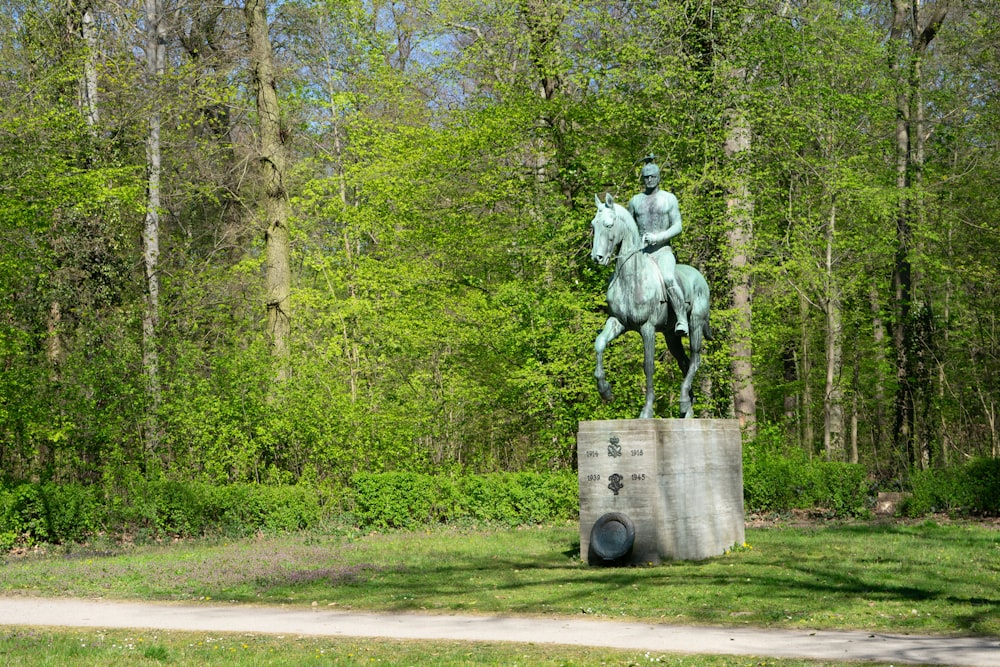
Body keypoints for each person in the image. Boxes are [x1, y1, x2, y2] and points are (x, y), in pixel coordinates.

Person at [627, 156, 688, 336]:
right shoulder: (635, 201)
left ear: (658, 177)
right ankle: (616, 314)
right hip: (641, 253)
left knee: (668, 278)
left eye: (652, 176)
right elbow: (630, 228)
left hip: (662, 251)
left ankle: (681, 318)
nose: (650, 180)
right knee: (619, 276)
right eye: (646, 177)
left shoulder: (668, 198)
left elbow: (678, 226)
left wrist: (658, 237)